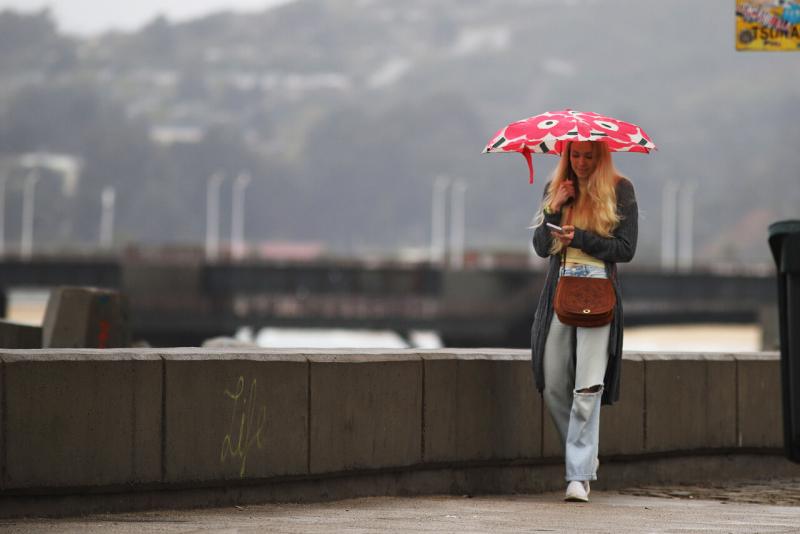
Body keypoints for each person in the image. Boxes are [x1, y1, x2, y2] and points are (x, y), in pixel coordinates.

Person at [530, 140, 638, 502]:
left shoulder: (621, 190)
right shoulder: (557, 190)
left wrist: (584, 239)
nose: (580, 162)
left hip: (599, 295)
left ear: (601, 157)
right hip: (560, 295)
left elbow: (626, 249)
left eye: (588, 156)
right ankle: (583, 458)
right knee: (554, 381)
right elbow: (541, 247)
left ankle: (577, 476)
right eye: (574, 155)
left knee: (588, 387)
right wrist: (553, 207)